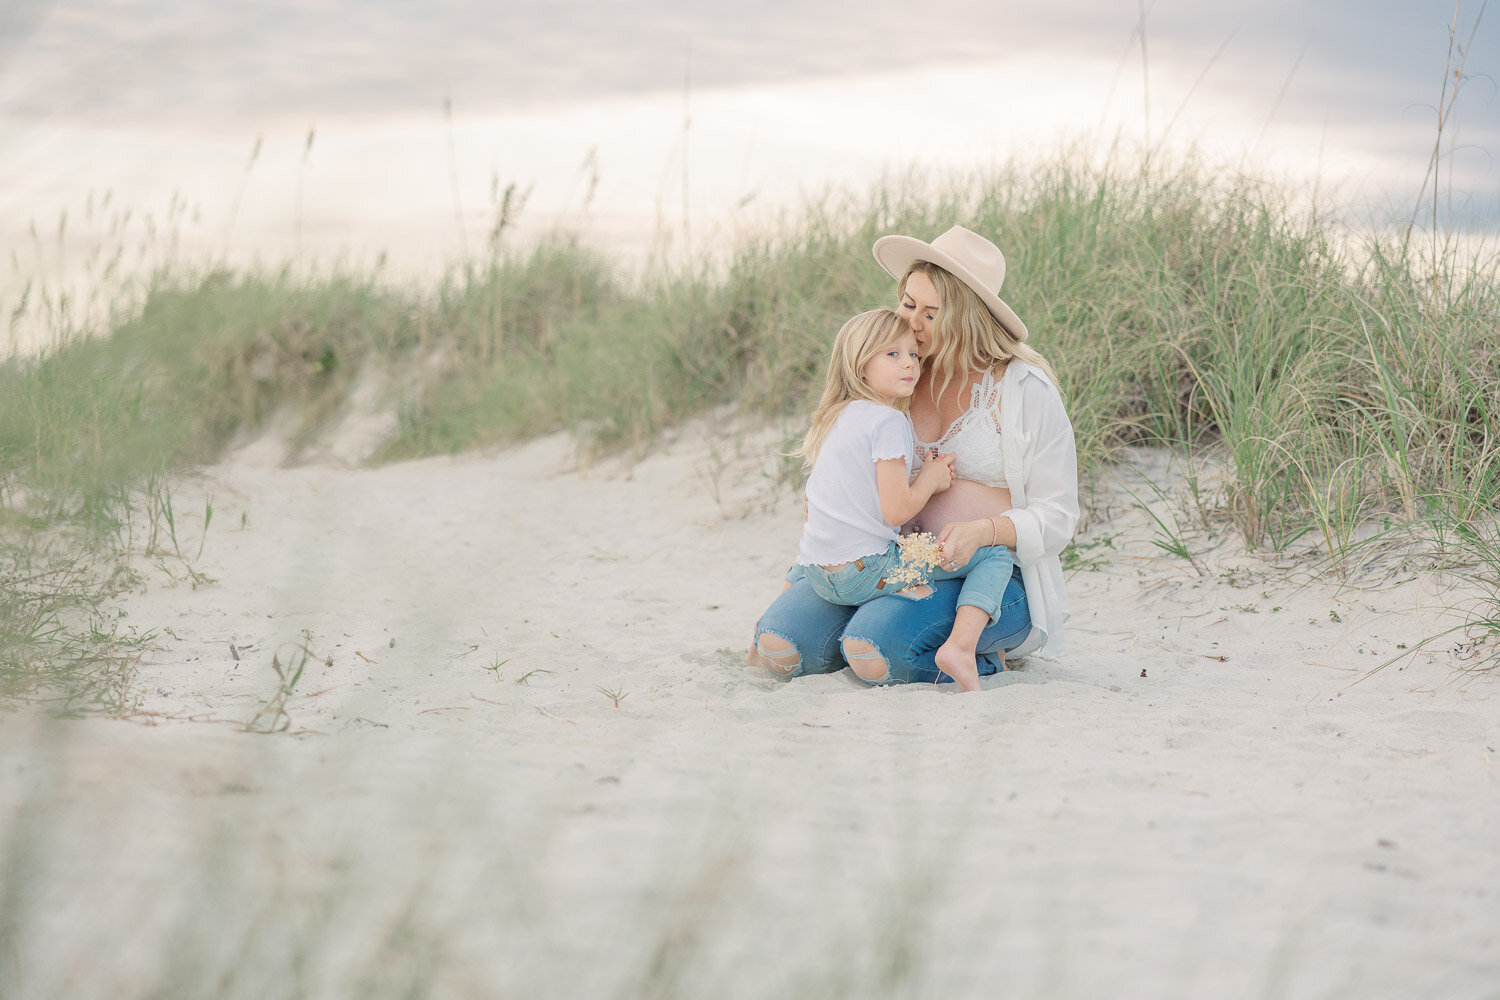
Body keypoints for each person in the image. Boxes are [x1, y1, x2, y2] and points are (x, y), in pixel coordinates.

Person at [750, 225, 1079, 688]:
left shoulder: (1023, 388)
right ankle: (874, 627)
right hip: (884, 562)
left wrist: (985, 530)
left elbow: (1059, 516)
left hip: (983, 576)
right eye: (908, 305)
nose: (913, 324)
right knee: (780, 646)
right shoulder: (893, 374)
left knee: (878, 647)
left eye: (932, 313)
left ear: (968, 315)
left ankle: (981, 655)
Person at [788, 307, 1014, 691]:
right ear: (860, 366)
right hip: (866, 571)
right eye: (892, 354)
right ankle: (961, 647)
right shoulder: (888, 420)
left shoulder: (837, 415)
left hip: (817, 572)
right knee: (994, 554)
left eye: (912, 354)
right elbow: (896, 508)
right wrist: (930, 479)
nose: (909, 364)